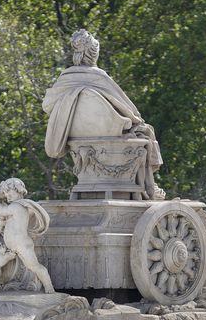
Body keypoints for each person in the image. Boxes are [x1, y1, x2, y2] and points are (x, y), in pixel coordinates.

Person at [42, 29, 164, 200]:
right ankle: (150, 186)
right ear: (94, 54)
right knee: (144, 130)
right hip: (113, 143)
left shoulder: (64, 79)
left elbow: (47, 105)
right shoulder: (99, 77)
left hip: (78, 144)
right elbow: (131, 111)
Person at [0, 178, 54, 294]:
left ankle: (49, 287)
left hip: (22, 245)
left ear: (19, 191)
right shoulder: (12, 207)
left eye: (9, 192)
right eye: (5, 193)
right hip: (8, 247)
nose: (7, 195)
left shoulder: (17, 206)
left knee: (34, 266)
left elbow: (0, 210)